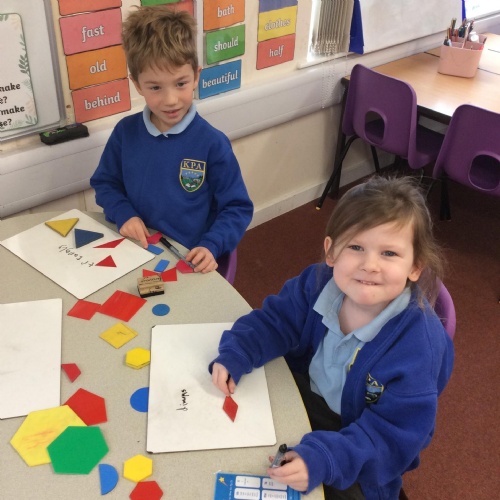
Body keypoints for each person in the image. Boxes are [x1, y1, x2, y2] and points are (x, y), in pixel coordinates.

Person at [210, 176, 454, 499]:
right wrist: (239, 350)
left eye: (389, 253)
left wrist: (325, 458)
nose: (370, 265)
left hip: (360, 447)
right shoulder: (317, 283)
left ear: (415, 267)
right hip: (305, 401)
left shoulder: (418, 346)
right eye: (356, 247)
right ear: (331, 252)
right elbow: (274, 321)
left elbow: (393, 438)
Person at [90, 7, 253, 273]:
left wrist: (212, 245)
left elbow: (237, 207)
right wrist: (124, 214)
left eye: (180, 83)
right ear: (137, 84)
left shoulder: (212, 144)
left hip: (187, 261)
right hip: (135, 253)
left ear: (196, 76)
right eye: (155, 87)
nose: (170, 100)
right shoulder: (125, 133)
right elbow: (105, 183)